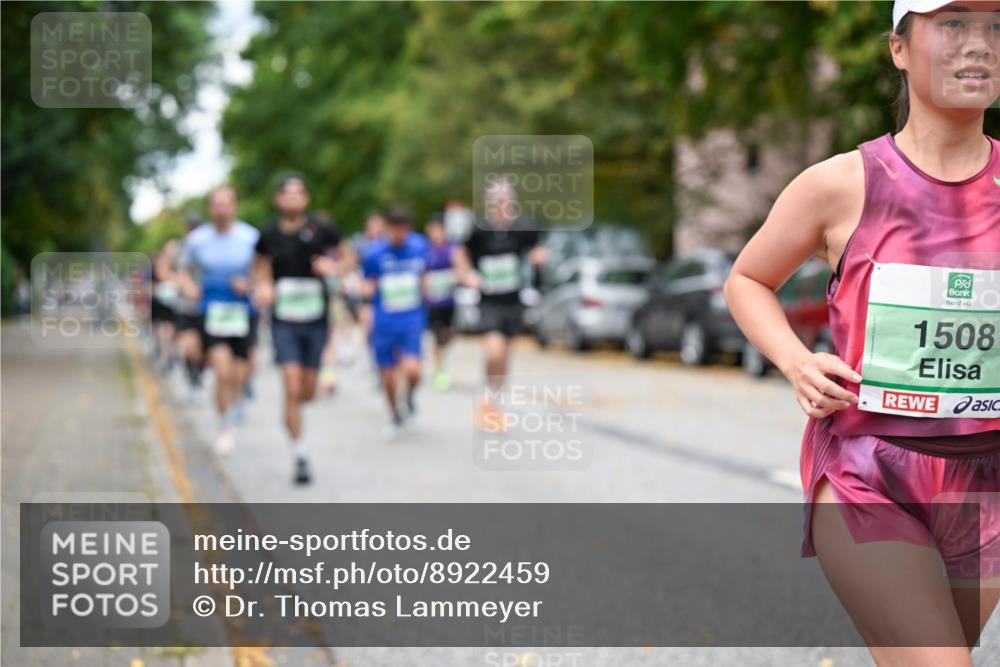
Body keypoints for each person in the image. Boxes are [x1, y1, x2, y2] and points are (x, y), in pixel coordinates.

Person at [724, 2, 999, 663]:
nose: (979, 45)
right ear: (899, 49)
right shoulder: (840, 184)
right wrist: (795, 360)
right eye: (952, 25)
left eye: (994, 28)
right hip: (865, 470)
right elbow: (747, 279)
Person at [253, 174, 350, 484]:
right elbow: (259, 266)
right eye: (287, 193)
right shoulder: (268, 234)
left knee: (308, 391)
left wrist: (333, 268)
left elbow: (349, 256)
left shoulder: (322, 230)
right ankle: (299, 453)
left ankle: (295, 408)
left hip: (316, 320)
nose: (293, 199)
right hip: (284, 322)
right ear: (278, 200)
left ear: (306, 199)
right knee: (292, 385)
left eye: (299, 193)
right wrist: (264, 285)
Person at [453, 180, 548, 429]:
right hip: (489, 301)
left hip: (514, 300)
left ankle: (493, 405)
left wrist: (539, 257)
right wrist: (467, 276)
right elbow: (460, 254)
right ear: (488, 203)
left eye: (505, 201)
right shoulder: (479, 229)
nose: (500, 206)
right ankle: (487, 400)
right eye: (496, 201)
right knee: (493, 350)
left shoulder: (524, 226)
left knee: (505, 358)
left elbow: (537, 249)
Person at [178, 185, 259, 455]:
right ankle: (224, 425)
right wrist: (188, 286)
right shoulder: (197, 240)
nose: (222, 209)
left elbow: (264, 272)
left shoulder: (251, 237)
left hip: (242, 313)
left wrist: (249, 284)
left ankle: (235, 404)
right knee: (222, 370)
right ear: (210, 209)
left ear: (234, 206)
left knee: (239, 372)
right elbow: (183, 272)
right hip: (211, 312)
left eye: (227, 203)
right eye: (217, 204)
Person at [362, 207, 428, 440]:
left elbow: (424, 277)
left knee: (413, 370)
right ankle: (394, 414)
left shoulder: (420, 246)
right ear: (387, 228)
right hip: (384, 321)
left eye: (404, 228)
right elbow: (367, 284)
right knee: (387, 377)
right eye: (395, 228)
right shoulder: (374, 252)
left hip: (411, 318)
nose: (400, 233)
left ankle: (409, 397)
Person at [424, 212, 459, 391]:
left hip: (449, 302)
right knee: (437, 337)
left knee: (448, 335)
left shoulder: (452, 249)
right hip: (432, 303)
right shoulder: (425, 251)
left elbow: (461, 269)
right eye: (434, 230)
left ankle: (440, 362)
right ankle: (439, 370)